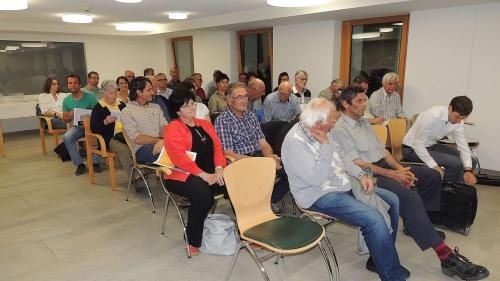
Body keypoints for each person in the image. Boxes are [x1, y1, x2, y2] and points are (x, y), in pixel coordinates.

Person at [334, 87, 489, 281]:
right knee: (411, 197)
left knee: (432, 176)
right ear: (346, 104)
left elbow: (384, 153)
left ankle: (417, 225)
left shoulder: (363, 123)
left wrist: (401, 170)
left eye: (365, 100)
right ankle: (446, 256)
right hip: (366, 176)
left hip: (383, 167)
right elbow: (358, 164)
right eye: (359, 101)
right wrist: (393, 174)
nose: (364, 105)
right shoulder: (340, 128)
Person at [281, 98, 407, 281]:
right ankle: (392, 275)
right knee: (374, 218)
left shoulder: (325, 129)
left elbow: (343, 157)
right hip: (317, 194)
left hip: (342, 183)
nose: (335, 123)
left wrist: (361, 175)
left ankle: (377, 257)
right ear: (318, 122)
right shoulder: (295, 142)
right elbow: (316, 179)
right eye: (333, 119)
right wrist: (325, 146)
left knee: (392, 201)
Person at [163, 86, 228, 256]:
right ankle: (192, 240)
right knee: (203, 195)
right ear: (177, 111)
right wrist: (204, 175)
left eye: (192, 103)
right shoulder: (172, 129)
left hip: (211, 172)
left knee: (234, 186)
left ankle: (247, 232)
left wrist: (220, 168)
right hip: (181, 175)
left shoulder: (205, 124)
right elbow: (180, 159)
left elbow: (218, 149)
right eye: (186, 105)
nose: (191, 107)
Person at [214, 82, 289, 212]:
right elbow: (229, 154)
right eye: (239, 97)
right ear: (229, 100)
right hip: (240, 161)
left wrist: (270, 157)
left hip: (259, 155)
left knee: (291, 171)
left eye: (246, 97)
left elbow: (263, 143)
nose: (244, 101)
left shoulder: (250, 116)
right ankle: (261, 202)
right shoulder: (223, 121)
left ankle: (268, 200)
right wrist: (263, 162)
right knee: (266, 170)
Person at [403, 96, 478, 184]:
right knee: (455, 163)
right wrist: (434, 166)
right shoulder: (432, 115)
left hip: (430, 146)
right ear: (450, 108)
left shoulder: (458, 120)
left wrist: (468, 170)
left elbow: (463, 145)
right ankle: (446, 192)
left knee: (471, 161)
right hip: (411, 149)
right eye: (457, 117)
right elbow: (418, 145)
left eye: (462, 118)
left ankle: (457, 191)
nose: (459, 121)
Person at [90, 80, 138, 188]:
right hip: (110, 138)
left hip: (125, 135)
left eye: (116, 92)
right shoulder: (98, 108)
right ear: (103, 93)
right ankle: (135, 179)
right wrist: (105, 122)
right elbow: (93, 128)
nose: (114, 95)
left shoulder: (122, 105)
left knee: (139, 144)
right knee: (124, 150)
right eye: (111, 93)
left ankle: (142, 172)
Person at [122, 76, 168, 164]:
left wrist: (162, 141)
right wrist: (159, 141)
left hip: (162, 143)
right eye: (149, 90)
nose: (153, 92)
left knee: (185, 148)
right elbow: (137, 138)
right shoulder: (127, 112)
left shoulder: (156, 107)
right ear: (139, 92)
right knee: (173, 154)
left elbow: (164, 126)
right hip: (143, 149)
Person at [61, 74, 100, 176]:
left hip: (92, 126)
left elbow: (98, 113)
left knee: (100, 132)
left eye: (75, 83)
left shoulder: (90, 97)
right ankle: (79, 164)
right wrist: (70, 115)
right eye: (70, 83)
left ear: (79, 84)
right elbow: (65, 119)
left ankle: (95, 162)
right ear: (68, 85)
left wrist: (88, 118)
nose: (72, 85)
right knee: (67, 137)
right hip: (78, 127)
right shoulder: (66, 100)